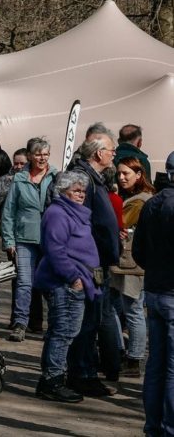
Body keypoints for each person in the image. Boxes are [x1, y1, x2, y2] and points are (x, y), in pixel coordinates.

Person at [33, 170, 99, 403]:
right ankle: (52, 381)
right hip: (63, 282)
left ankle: (50, 379)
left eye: (83, 190)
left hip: (71, 280)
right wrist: (74, 277)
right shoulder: (58, 213)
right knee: (63, 332)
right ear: (63, 192)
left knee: (61, 332)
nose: (81, 194)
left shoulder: (73, 212)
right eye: (76, 191)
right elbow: (55, 250)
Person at [67, 128, 123, 398]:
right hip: (90, 262)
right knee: (88, 320)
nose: (114, 154)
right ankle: (82, 374)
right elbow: (80, 223)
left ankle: (84, 371)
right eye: (112, 150)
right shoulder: (84, 180)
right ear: (100, 153)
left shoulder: (93, 178)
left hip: (97, 260)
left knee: (93, 319)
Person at [1, 137, 55, 342]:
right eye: (38, 154)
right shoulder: (19, 179)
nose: (42, 158)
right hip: (24, 238)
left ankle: (54, 324)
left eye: (45, 154)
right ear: (30, 156)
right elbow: (9, 211)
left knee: (49, 284)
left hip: (50, 239)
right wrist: (9, 240)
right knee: (24, 283)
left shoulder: (56, 176)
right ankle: (20, 324)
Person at [133, 171, 174, 434]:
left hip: (155, 289)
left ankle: (153, 427)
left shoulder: (152, 202)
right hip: (168, 291)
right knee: (169, 368)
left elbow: (139, 251)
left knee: (157, 364)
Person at [112, 156, 152, 377]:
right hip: (130, 263)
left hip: (132, 265)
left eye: (126, 173)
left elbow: (120, 224)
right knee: (126, 310)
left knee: (133, 310)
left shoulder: (140, 201)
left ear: (139, 175)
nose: (121, 177)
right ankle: (126, 354)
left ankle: (134, 359)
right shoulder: (134, 198)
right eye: (119, 173)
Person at [0, 147, 28, 229]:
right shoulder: (6, 178)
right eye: (16, 163)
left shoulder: (35, 179)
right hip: (8, 223)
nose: (18, 166)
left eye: (22, 163)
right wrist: (8, 185)